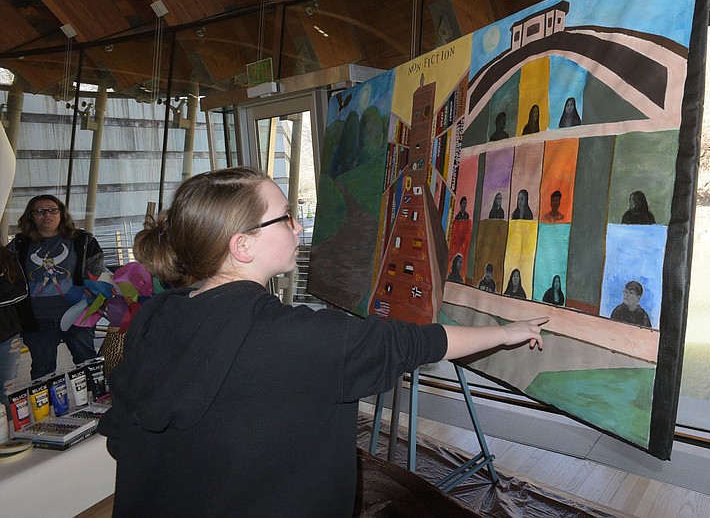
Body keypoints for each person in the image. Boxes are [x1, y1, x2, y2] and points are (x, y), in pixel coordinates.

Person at [98, 167, 547, 518]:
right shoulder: (302, 338)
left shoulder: (157, 315)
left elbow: (124, 437)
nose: (297, 226)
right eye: (284, 217)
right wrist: (507, 332)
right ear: (242, 246)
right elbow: (413, 342)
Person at [7, 195, 103, 380]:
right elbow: (9, 275)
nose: (47, 215)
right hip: (37, 319)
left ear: (61, 213)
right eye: (39, 211)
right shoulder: (19, 245)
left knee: (88, 361)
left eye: (52, 210)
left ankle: (101, 399)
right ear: (31, 216)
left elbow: (98, 271)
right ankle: (46, 408)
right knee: (43, 370)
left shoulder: (82, 240)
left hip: (78, 314)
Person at [0, 245, 27, 407]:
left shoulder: (7, 256)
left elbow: (21, 291)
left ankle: (10, 431)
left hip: (7, 336)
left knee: (8, 392)